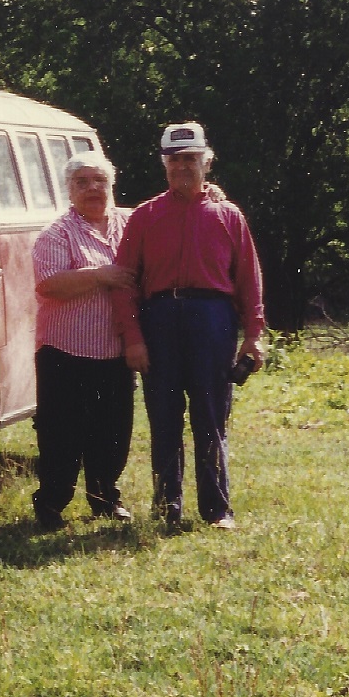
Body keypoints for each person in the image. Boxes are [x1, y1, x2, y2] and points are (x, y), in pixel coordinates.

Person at [116, 123, 265, 529]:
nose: (183, 166)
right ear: (165, 165)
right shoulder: (144, 217)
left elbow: (248, 279)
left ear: (206, 161)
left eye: (191, 159)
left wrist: (254, 335)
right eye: (175, 160)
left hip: (212, 319)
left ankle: (217, 510)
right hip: (159, 319)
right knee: (164, 419)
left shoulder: (228, 216)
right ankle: (168, 510)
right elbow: (125, 282)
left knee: (211, 417)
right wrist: (132, 338)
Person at [29, 153, 136, 531]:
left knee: (113, 433)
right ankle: (51, 504)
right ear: (69, 190)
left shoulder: (131, 222)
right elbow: (49, 284)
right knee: (62, 435)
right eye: (82, 182)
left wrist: (213, 193)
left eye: (99, 181)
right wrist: (100, 275)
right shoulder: (56, 234)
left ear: (111, 185)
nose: (92, 188)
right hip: (65, 353)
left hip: (116, 352)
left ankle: (106, 499)